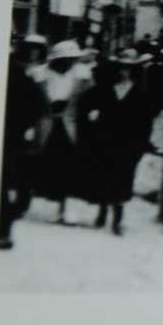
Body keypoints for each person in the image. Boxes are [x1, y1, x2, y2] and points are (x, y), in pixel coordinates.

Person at [81, 49, 156, 236]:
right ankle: (102, 211)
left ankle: (118, 219)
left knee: (123, 180)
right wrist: (92, 118)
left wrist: (140, 145)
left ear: (134, 71)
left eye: (128, 68)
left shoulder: (141, 95)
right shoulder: (104, 89)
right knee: (104, 177)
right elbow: (86, 104)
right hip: (105, 141)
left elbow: (146, 124)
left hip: (127, 145)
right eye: (121, 68)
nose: (124, 72)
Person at [33, 40, 96, 223]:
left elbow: (90, 98)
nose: (68, 63)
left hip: (72, 126)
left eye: (72, 59)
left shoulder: (82, 76)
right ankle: (45, 200)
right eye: (65, 59)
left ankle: (65, 207)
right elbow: (33, 100)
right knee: (46, 164)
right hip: (47, 125)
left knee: (70, 167)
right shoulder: (40, 75)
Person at [0, 44, 47, 249]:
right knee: (2, 183)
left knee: (1, 183)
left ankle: (3, 230)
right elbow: (37, 105)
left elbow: (37, 104)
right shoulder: (19, 72)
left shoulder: (16, 72)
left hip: (8, 135)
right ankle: (3, 230)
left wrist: (21, 126)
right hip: (11, 135)